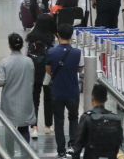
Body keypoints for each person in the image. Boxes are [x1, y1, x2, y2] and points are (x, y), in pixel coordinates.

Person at [45, 23, 84, 158]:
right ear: (72, 35)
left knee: (58, 121)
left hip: (57, 92)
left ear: (58, 35)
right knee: (73, 118)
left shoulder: (51, 52)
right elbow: (80, 69)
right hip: (72, 92)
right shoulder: (77, 52)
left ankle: (61, 150)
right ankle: (72, 145)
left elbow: (48, 71)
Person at [0, 33, 35, 142]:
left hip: (10, 101)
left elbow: (1, 81)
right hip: (25, 100)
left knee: (9, 129)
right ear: (22, 45)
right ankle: (26, 154)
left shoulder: (5, 62)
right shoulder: (29, 61)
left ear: (9, 45)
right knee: (24, 129)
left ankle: (10, 154)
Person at [71, 83, 123, 159]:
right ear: (106, 99)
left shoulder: (86, 117)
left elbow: (78, 143)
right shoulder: (115, 119)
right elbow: (119, 142)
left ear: (92, 98)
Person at [26, 15, 56, 138]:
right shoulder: (53, 38)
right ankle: (48, 126)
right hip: (48, 71)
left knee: (34, 98)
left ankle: (34, 127)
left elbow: (26, 56)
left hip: (35, 71)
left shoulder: (31, 37)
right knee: (48, 98)